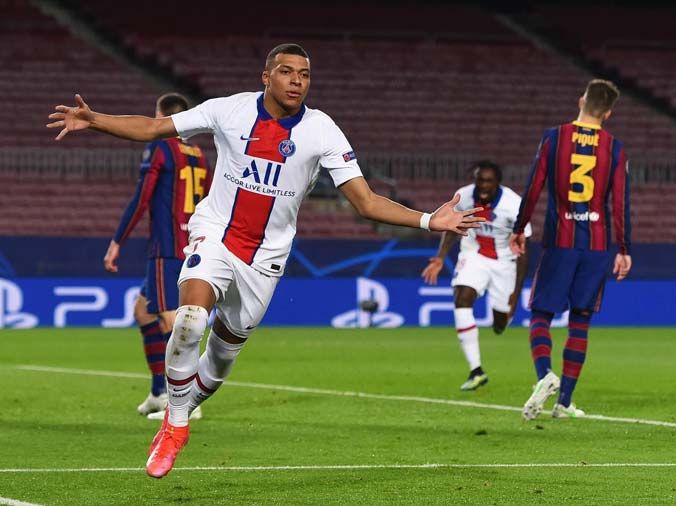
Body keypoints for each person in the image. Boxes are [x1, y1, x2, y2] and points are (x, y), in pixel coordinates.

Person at [48, 43, 484, 478]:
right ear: (266, 76)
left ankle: (182, 407)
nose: (297, 81)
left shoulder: (322, 130)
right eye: (287, 71)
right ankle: (175, 425)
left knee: (219, 361)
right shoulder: (229, 110)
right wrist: (95, 119)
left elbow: (366, 201)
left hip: (266, 259)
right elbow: (154, 127)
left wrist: (429, 220)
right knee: (190, 321)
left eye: (304, 74)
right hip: (216, 235)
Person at [510, 79, 632, 420]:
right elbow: (620, 203)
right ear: (608, 114)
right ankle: (564, 401)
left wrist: (519, 229)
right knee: (581, 321)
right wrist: (624, 248)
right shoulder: (615, 148)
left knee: (541, 315)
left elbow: (533, 187)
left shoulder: (555, 138)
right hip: (596, 244)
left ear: (581, 101)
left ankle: (544, 374)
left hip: (560, 241)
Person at [104, 93, 211, 419]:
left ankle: (185, 402)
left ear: (163, 117)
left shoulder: (161, 147)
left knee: (170, 319)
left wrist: (117, 240)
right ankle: (157, 392)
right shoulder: (199, 154)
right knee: (143, 311)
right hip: (191, 242)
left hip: (167, 247)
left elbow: (142, 197)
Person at [421, 161, 530, 391]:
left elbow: (523, 253)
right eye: (479, 180)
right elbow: (452, 227)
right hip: (474, 255)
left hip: (505, 263)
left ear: (498, 183)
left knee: (500, 323)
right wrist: (440, 257)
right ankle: (476, 370)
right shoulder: (463, 196)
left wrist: (516, 294)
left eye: (488, 181)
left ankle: (501, 320)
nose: (483, 185)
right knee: (462, 297)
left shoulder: (514, 205)